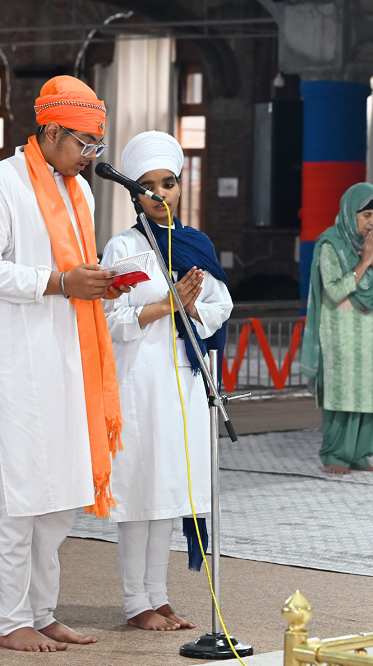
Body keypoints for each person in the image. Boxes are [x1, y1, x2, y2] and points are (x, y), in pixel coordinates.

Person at [0, 76, 130, 652]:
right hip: (16, 367)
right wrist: (57, 282)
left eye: (96, 147)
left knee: (59, 498)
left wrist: (97, 283)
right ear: (51, 130)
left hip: (69, 363)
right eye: (84, 144)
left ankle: (43, 611)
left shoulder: (78, 191)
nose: (90, 157)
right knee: (18, 499)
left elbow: (76, 268)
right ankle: (10, 621)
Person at [99, 131, 233, 631]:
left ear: (180, 187)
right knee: (140, 493)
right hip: (140, 383)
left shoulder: (197, 243)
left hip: (187, 383)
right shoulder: (123, 247)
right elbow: (110, 319)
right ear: (134, 193)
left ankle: (159, 594)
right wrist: (166, 304)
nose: (160, 194)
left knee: (170, 491)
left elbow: (221, 308)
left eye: (168, 183)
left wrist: (192, 306)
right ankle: (136, 602)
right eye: (148, 186)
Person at [300, 182, 373, 475]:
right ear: (349, 212)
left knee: (368, 392)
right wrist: (363, 264)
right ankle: (335, 455)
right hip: (340, 333)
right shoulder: (331, 244)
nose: (372, 222)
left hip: (369, 333)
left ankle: (360, 455)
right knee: (342, 393)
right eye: (366, 215)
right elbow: (333, 290)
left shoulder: (371, 245)